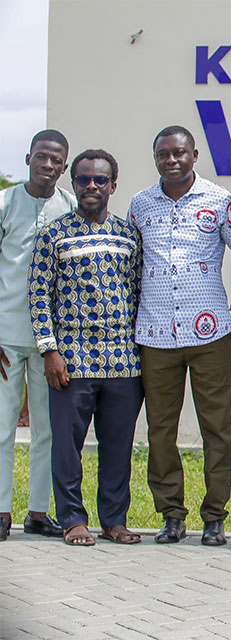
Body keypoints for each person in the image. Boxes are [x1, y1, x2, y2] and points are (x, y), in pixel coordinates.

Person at [128, 125, 231, 546]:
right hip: (155, 334)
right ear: (155, 158)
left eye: (179, 153)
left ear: (194, 155)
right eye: (163, 154)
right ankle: (171, 514)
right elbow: (133, 264)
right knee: (160, 430)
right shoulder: (140, 205)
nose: (171, 160)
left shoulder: (220, 201)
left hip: (210, 332)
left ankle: (215, 516)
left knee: (218, 428)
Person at [29, 149, 143, 546]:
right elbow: (38, 295)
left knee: (118, 448)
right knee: (67, 446)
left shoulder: (128, 235)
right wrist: (49, 351)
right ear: (73, 183)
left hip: (124, 362)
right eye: (83, 180)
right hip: (71, 360)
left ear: (113, 185)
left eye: (100, 180)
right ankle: (72, 519)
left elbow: (137, 293)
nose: (91, 186)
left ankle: (114, 520)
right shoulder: (53, 235)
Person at [0, 130, 74, 542]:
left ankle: (38, 512)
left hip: (51, 345)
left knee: (47, 430)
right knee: (2, 427)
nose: (48, 165)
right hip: (5, 338)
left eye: (56, 160)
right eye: (42, 156)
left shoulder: (69, 207)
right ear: (29, 157)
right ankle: (1, 510)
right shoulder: (5, 202)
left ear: (64, 166)